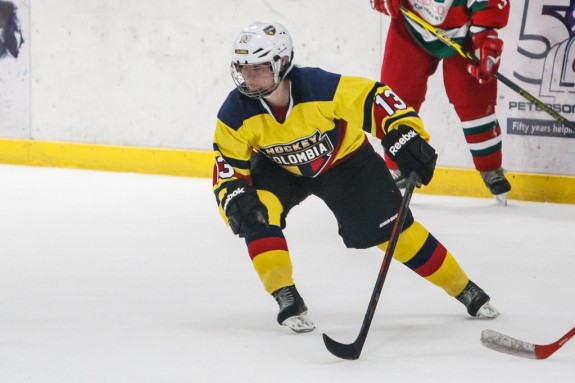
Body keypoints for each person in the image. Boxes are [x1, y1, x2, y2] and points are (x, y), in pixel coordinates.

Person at [212, 21, 499, 333]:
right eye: (243, 68)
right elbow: (226, 167)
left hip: (345, 162)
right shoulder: (234, 112)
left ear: (281, 63)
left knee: (396, 233)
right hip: (278, 168)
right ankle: (285, 295)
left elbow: (376, 99)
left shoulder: (319, 87)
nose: (248, 78)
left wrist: (406, 135)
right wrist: (233, 197)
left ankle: (464, 288)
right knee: (256, 213)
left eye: (258, 68)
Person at [370, 0, 512, 202]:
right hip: (411, 23)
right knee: (397, 96)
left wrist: (486, 41)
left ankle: (491, 168)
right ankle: (398, 165)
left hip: (465, 30)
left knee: (473, 99)